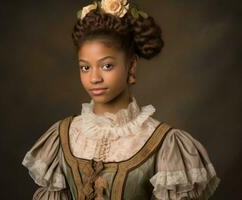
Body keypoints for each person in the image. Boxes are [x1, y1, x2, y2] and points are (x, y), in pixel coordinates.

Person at [22, 0, 220, 199]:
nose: (94, 78)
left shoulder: (164, 143)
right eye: (85, 67)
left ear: (131, 66)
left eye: (106, 66)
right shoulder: (62, 136)